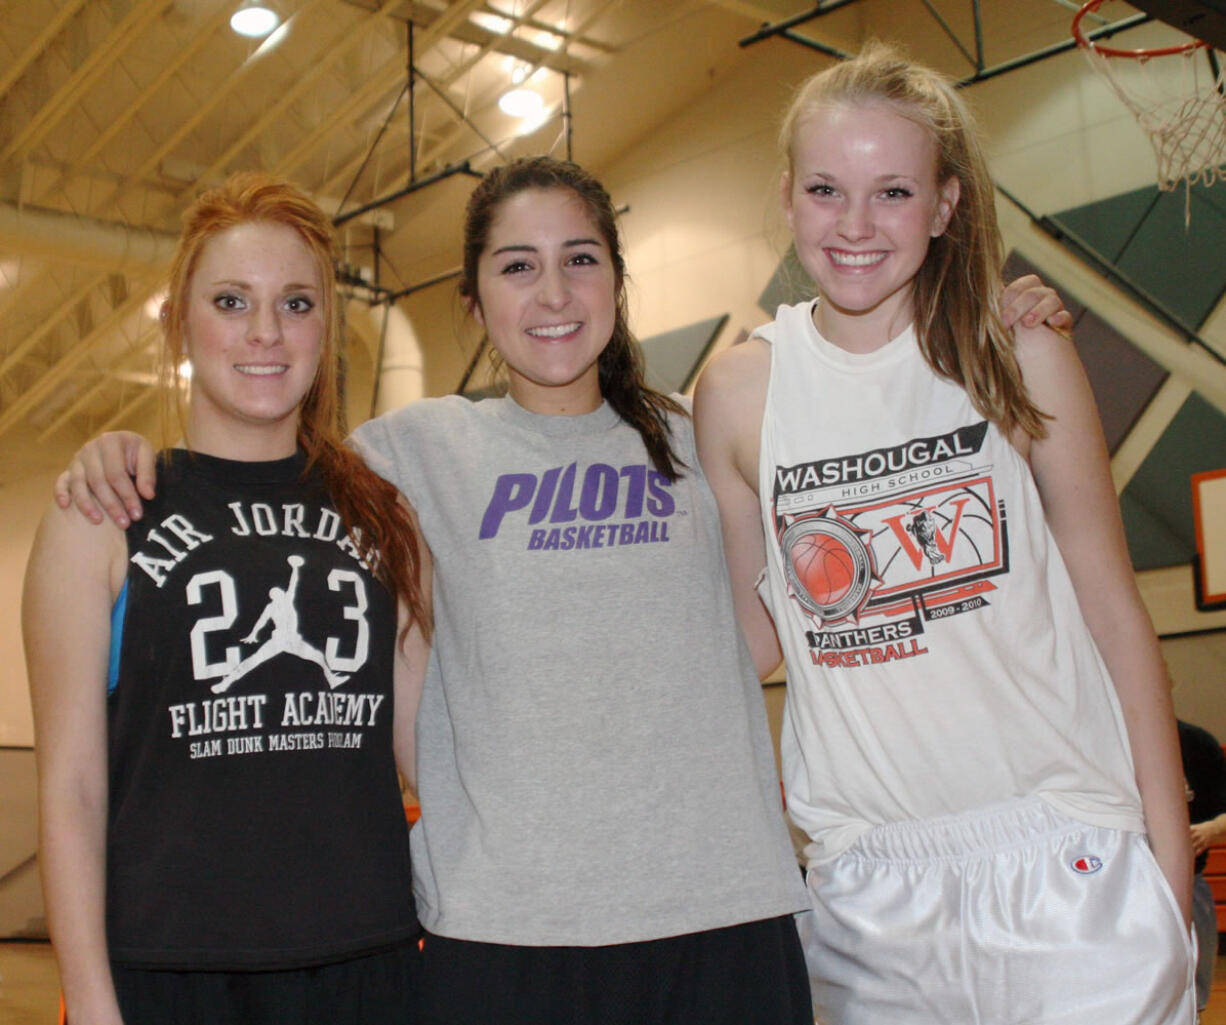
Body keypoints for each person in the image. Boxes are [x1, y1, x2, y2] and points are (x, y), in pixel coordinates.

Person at [52, 158, 1068, 1025]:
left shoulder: (699, 426)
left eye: (580, 259)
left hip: (721, 915)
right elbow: (250, 472)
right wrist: (124, 451)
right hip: (497, 934)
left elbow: (788, 577)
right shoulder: (400, 458)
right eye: (515, 265)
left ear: (618, 283)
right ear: (472, 300)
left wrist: (984, 320)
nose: (552, 294)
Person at [694, 41, 1195, 1025]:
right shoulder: (737, 393)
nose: (853, 225)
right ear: (787, 195)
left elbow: (1111, 607)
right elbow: (750, 633)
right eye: (827, 188)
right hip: (864, 890)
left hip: (1065, 856)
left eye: (892, 192)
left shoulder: (1015, 351)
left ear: (945, 204)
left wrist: (1167, 865)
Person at [23, 173, 430, 1025]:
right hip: (169, 973)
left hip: (370, 967)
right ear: (179, 321)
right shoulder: (101, 515)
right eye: (231, 300)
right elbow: (70, 787)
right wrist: (94, 1004)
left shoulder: (383, 519)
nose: (265, 333)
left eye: (296, 303)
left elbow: (434, 753)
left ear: (327, 326)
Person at [1179, 718, 1226, 1015]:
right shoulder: (1104, 739)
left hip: (1189, 882)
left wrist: (1210, 829)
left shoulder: (1196, 743)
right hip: (1128, 887)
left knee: (1195, 995)